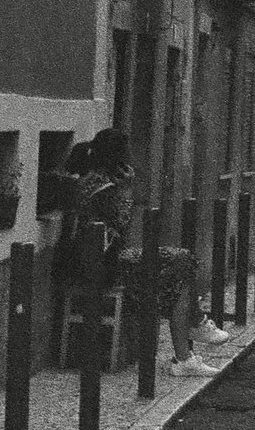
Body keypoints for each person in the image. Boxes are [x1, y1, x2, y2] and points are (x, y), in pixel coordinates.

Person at [68, 130, 231, 378]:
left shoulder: (96, 179)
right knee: (181, 264)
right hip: (102, 264)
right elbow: (121, 225)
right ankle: (193, 333)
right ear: (117, 155)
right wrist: (127, 188)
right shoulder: (106, 186)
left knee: (181, 266)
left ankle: (191, 340)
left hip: (102, 258)